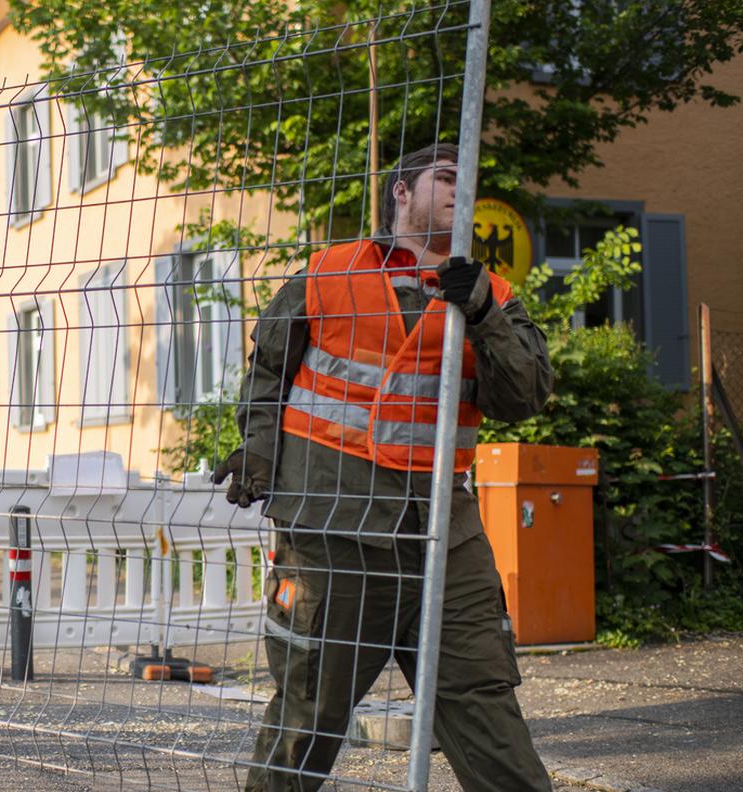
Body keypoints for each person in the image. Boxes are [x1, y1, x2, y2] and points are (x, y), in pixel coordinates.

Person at [213, 143, 555, 791]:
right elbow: (268, 373)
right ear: (402, 192)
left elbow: (524, 396)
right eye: (446, 178)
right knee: (306, 720)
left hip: (443, 542)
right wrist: (259, 451)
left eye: (469, 182)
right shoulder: (328, 272)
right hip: (332, 536)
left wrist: (481, 312)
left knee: (488, 717)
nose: (462, 192)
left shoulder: (492, 295)